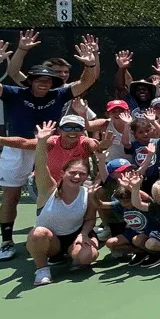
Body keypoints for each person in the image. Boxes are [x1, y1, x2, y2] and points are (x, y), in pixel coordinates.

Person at [0, 36, 100, 263]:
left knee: (60, 192)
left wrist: (90, 64)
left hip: (50, 147)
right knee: (11, 197)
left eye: (49, 80)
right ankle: (6, 242)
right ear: (31, 81)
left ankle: (65, 236)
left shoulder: (59, 94)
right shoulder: (15, 93)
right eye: (39, 80)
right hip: (18, 148)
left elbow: (87, 81)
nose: (44, 84)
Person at [26, 121, 99, 286]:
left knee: (88, 256)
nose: (77, 177)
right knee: (37, 234)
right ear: (62, 173)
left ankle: (73, 256)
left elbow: (89, 219)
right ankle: (42, 270)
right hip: (51, 240)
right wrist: (42, 142)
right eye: (73, 173)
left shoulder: (87, 194)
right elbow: (41, 164)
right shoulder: (47, 189)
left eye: (82, 174)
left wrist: (84, 233)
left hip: (74, 236)